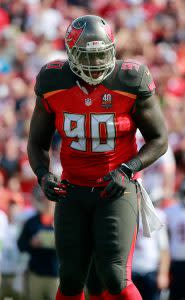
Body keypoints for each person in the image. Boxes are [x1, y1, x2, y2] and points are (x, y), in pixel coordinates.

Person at [27, 15, 168, 300]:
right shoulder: (53, 80)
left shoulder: (130, 79)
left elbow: (159, 139)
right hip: (72, 190)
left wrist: (129, 169)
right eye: (87, 57)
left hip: (115, 188)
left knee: (115, 277)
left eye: (101, 54)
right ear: (70, 54)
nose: (95, 64)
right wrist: (43, 174)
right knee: (70, 279)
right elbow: (36, 142)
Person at [17, 185, 59, 300]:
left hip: (56, 275)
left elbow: (73, 247)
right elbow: (21, 245)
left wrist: (60, 244)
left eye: (51, 200)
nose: (48, 202)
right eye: (44, 199)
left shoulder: (61, 223)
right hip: (36, 274)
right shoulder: (31, 222)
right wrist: (31, 243)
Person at [132, 192, 170, 300]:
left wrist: (163, 273)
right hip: (131, 270)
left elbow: (164, 248)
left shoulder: (156, 214)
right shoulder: (126, 215)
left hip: (151, 269)